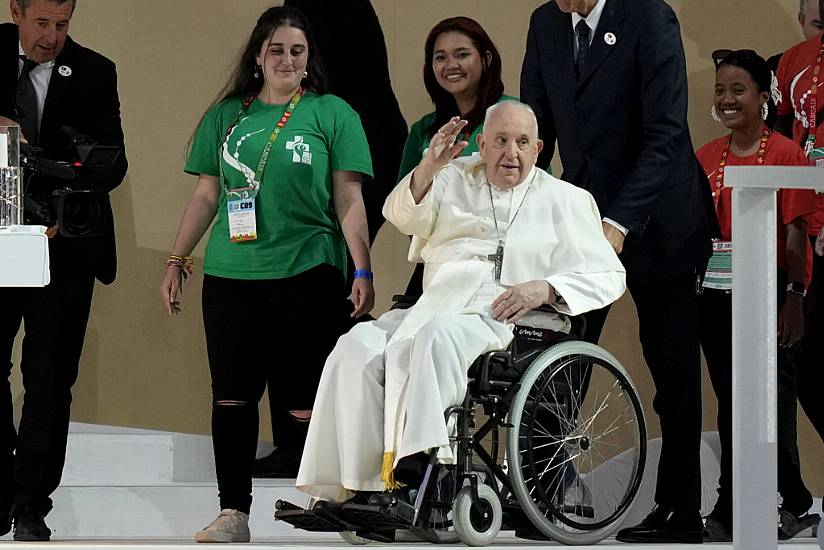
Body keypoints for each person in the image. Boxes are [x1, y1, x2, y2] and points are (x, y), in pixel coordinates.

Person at [295, 101, 626, 504]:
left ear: (539, 149)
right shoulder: (452, 178)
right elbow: (399, 215)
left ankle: (425, 467)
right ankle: (358, 486)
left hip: (507, 315)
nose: (511, 153)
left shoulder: (568, 200)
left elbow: (609, 276)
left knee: (437, 337)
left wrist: (545, 288)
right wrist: (428, 168)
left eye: (523, 142)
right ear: (482, 145)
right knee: (355, 345)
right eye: (501, 141)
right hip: (434, 303)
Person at [158, 6, 374, 543]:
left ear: (308, 60)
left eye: (296, 51)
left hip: (308, 268)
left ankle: (329, 500)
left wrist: (363, 267)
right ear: (258, 56)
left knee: (304, 397)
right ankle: (233, 512)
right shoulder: (228, 115)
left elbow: (349, 196)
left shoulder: (333, 113)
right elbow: (207, 193)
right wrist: (177, 259)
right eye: (276, 49)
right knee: (231, 396)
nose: (286, 59)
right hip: (231, 274)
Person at [520, 0, 715, 543]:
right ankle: (539, 498)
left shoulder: (649, 16)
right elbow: (536, 133)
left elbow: (667, 133)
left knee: (672, 369)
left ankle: (680, 511)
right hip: (586, 217)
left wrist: (619, 222)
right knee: (561, 359)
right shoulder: (546, 23)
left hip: (660, 218)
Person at [254, 0, 407, 479]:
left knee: (311, 301)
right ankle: (309, 441)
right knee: (305, 303)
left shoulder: (331, 10)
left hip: (348, 159)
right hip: (340, 154)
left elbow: (327, 85)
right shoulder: (317, 8)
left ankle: (315, 443)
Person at [0, 0, 127, 541]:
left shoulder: (96, 72)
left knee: (49, 375)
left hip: (60, 246)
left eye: (63, 24)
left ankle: (30, 502)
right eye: (42, 23)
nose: (52, 37)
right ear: (16, 11)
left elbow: (114, 162)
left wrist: (63, 192)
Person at [697, 49, 818, 542]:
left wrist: (794, 296)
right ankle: (730, 504)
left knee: (772, 401)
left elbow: (796, 233)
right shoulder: (705, 156)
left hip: (772, 294)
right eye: (721, 90)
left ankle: (794, 504)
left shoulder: (788, 152)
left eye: (738, 90)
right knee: (730, 403)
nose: (727, 99)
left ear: (764, 98)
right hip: (716, 293)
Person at [399, 16, 514, 297]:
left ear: (485, 59)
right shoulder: (424, 130)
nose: (451, 65)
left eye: (462, 55)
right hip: (437, 259)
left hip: (497, 263)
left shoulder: (512, 116)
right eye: (440, 57)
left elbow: (534, 194)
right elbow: (405, 205)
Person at [774, 0, 824, 535]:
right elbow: (786, 147)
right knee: (802, 369)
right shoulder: (792, 63)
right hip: (809, 231)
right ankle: (794, 498)